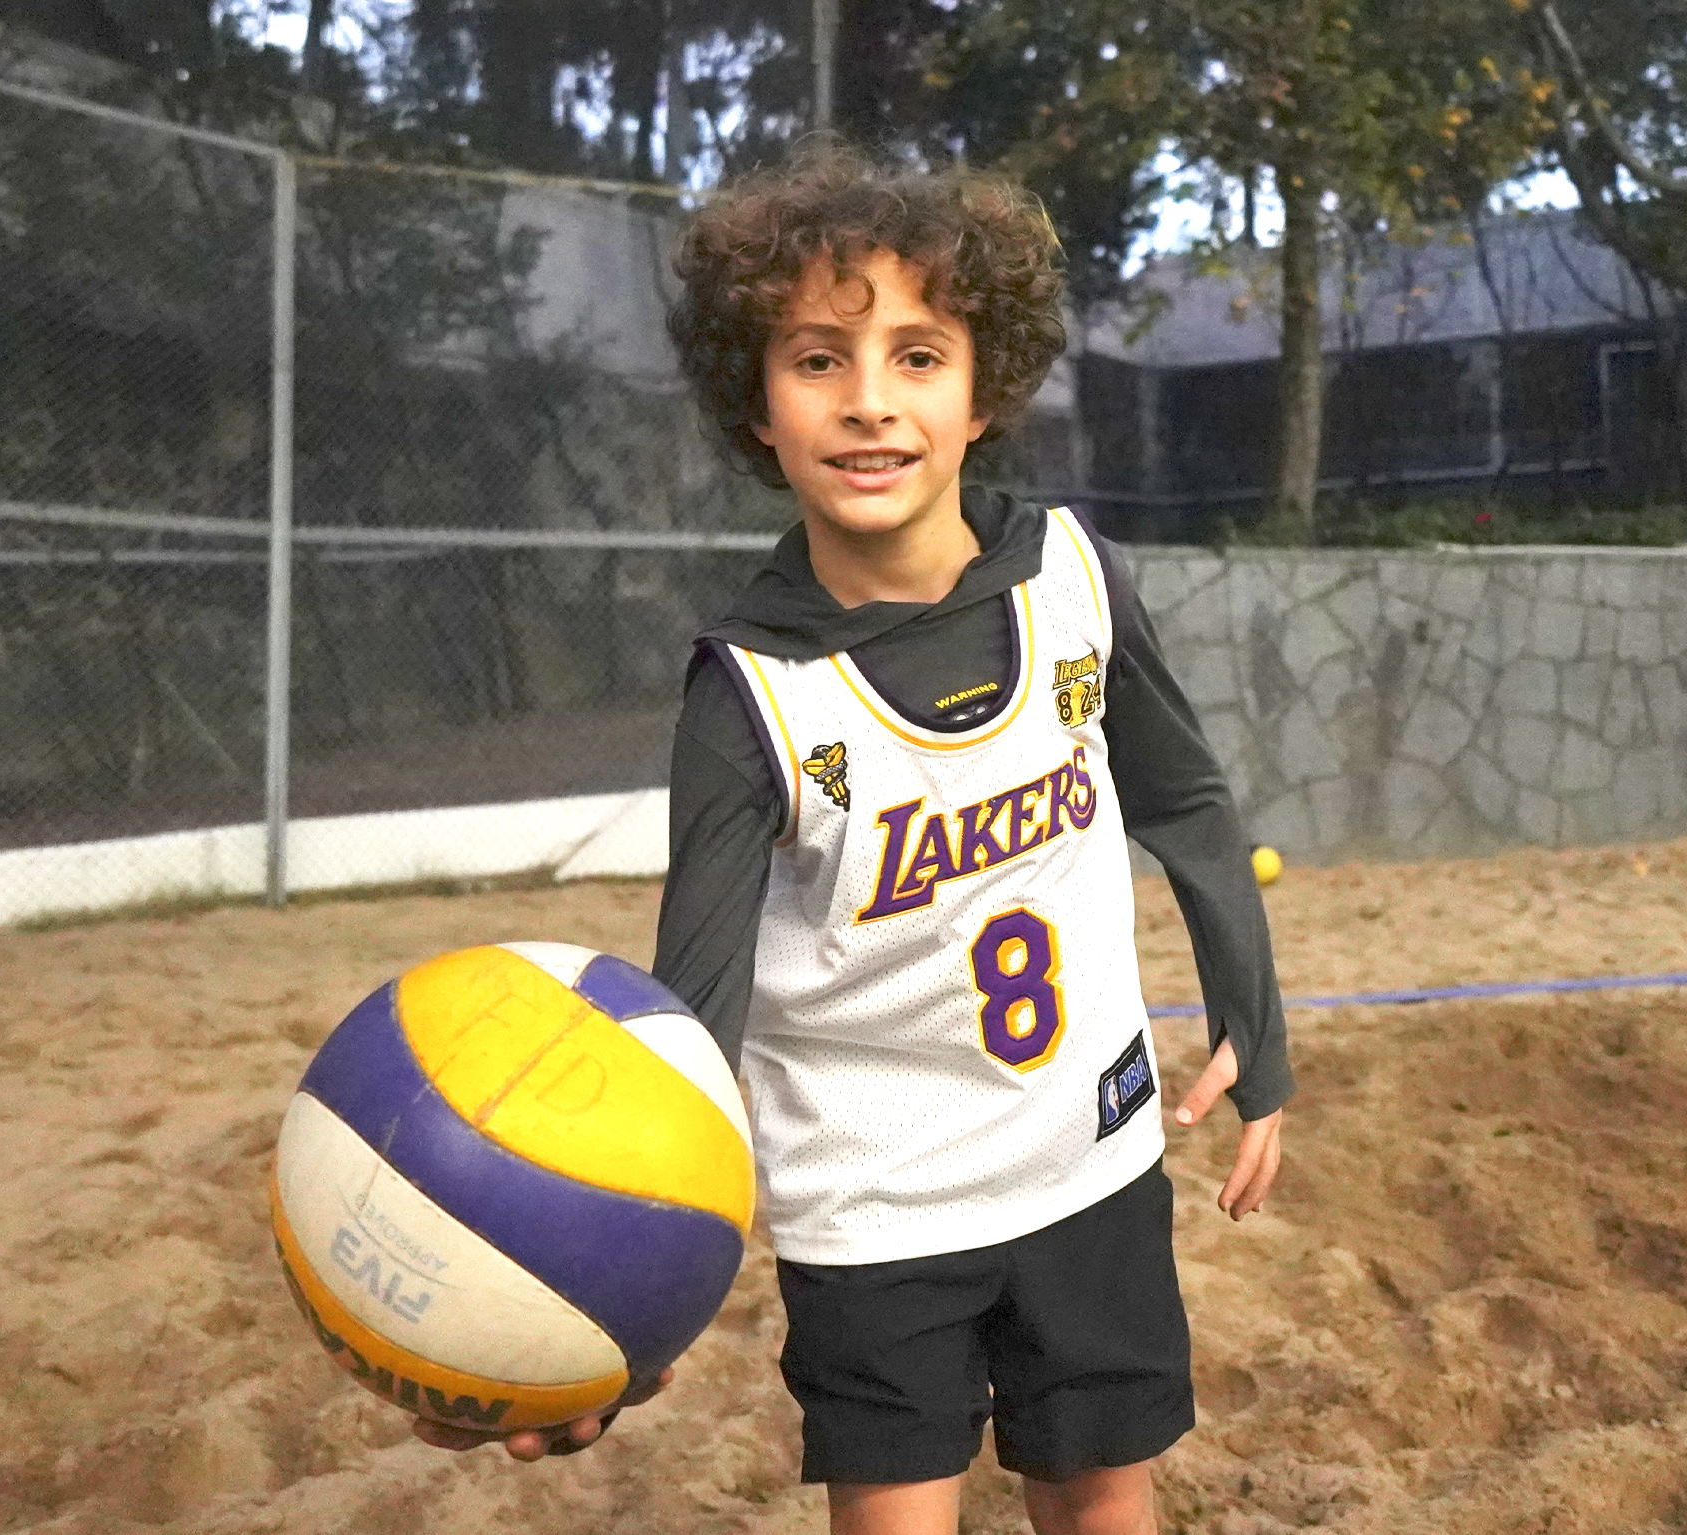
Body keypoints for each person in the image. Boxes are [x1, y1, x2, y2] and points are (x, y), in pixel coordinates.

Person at [419, 140, 1293, 1535]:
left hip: (1092, 1165)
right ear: (753, 405)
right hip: (873, 1220)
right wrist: (610, 1339)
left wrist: (1257, 1023)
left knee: (1100, 1499)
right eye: (817, 360)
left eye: (918, 355)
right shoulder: (748, 694)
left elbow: (1182, 798)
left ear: (985, 385)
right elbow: (689, 1033)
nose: (870, 402)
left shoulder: (1077, 580)